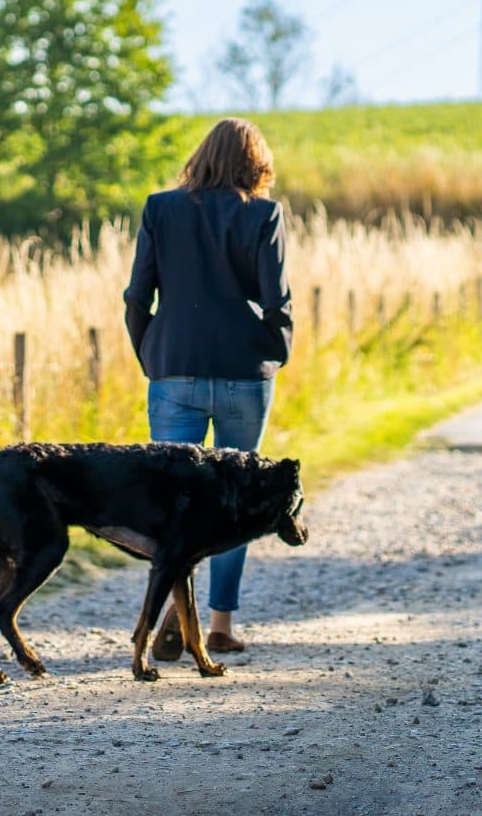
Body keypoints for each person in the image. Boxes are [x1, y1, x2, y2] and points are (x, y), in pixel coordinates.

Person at [122, 116, 293, 658]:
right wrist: (275, 352)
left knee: (172, 499)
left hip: (174, 366)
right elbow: (277, 304)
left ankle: (173, 607)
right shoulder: (265, 213)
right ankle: (218, 624)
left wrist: (151, 350)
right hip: (245, 370)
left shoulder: (160, 208)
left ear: (201, 156)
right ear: (255, 164)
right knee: (236, 502)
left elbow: (136, 295)